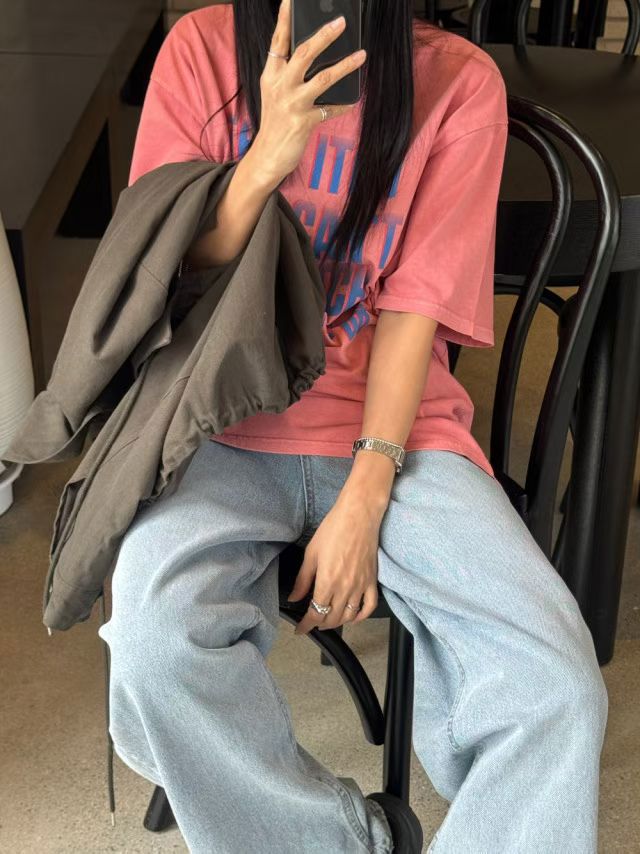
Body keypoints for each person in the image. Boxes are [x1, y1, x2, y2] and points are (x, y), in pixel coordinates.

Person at [97, 1, 609, 851]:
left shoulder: (456, 81)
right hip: (218, 418)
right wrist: (266, 158)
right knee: (156, 648)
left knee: (554, 684)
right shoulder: (201, 51)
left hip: (399, 435)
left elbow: (413, 307)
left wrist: (366, 496)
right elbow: (163, 273)